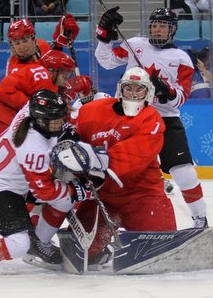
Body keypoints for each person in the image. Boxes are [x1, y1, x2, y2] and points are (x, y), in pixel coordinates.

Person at [94, 7, 208, 228]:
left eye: (163, 26)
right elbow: (106, 61)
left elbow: (182, 97)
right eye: (155, 25)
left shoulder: (182, 58)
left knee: (184, 171)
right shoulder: (135, 44)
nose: (157, 29)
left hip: (165, 119)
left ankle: (200, 219)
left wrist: (167, 91)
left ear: (172, 30)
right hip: (130, 116)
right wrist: (104, 35)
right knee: (118, 168)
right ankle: (109, 218)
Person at [52, 67, 177, 265]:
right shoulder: (91, 111)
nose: (134, 94)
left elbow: (135, 155)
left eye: (140, 89)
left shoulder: (150, 119)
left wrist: (92, 157)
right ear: (120, 89)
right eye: (129, 88)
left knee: (160, 250)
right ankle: (102, 252)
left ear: (148, 93)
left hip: (142, 196)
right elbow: (70, 135)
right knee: (81, 254)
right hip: (102, 197)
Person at [0, 50, 79, 247]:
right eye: (64, 75)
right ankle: (28, 235)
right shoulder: (43, 78)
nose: (66, 81)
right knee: (21, 181)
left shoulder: (34, 72)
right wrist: (33, 109)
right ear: (52, 70)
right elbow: (5, 90)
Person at [0, 89, 89, 268]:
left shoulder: (30, 111)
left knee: (64, 201)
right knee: (19, 244)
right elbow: (44, 191)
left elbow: (46, 100)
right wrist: (76, 190)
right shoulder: (33, 147)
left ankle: (38, 241)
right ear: (41, 120)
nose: (61, 123)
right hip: (0, 187)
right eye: (56, 120)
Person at [6, 15, 79, 75]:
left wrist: (58, 44)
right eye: (17, 43)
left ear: (33, 39)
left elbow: (50, 60)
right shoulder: (14, 67)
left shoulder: (42, 45)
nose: (22, 46)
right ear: (12, 45)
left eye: (25, 41)